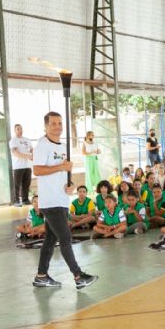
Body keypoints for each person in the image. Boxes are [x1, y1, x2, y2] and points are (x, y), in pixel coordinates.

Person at [32, 111, 97, 289]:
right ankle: (78, 276)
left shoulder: (62, 146)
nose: (58, 127)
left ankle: (41, 275)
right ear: (46, 126)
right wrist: (61, 166)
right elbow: (37, 170)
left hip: (61, 199)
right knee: (66, 237)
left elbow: (63, 173)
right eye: (53, 123)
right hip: (50, 202)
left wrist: (69, 185)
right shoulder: (42, 145)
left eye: (60, 123)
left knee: (50, 240)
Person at [10, 124, 33, 206]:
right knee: (17, 184)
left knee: (26, 183)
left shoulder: (27, 140)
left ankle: (25, 199)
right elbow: (15, 153)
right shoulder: (13, 141)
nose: (20, 130)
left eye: (21, 129)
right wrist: (28, 156)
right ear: (15, 130)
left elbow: (31, 149)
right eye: (18, 129)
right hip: (18, 166)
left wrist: (34, 155)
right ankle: (16, 201)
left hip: (27, 166)